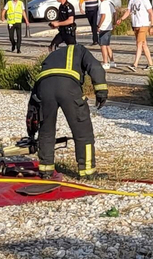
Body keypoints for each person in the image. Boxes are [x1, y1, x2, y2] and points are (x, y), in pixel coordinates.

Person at [32, 41, 108, 178]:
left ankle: (45, 170)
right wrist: (101, 92)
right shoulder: (81, 50)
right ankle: (87, 172)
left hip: (44, 87)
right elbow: (95, 67)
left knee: (46, 130)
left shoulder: (52, 55)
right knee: (82, 131)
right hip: (68, 87)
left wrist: (31, 126)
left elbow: (35, 93)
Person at [118, 0, 153, 71]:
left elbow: (151, 13)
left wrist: (151, 25)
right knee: (144, 45)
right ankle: (151, 64)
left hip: (143, 25)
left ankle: (135, 64)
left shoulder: (144, 0)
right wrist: (121, 19)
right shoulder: (132, 1)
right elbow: (128, 11)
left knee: (139, 44)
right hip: (135, 25)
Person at [94, 0, 116, 69]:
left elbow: (103, 15)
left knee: (103, 45)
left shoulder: (102, 5)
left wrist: (98, 25)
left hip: (103, 27)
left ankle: (105, 62)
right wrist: (114, 23)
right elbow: (114, 13)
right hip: (109, 26)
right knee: (107, 45)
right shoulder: (109, 3)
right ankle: (112, 61)